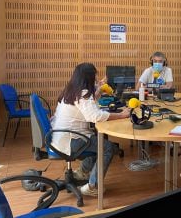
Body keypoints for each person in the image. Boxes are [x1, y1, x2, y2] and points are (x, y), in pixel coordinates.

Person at [51, 63, 130, 196]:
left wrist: (98, 88)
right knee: (107, 148)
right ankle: (93, 185)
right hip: (72, 140)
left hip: (62, 137)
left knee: (97, 140)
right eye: (94, 75)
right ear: (88, 77)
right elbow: (95, 115)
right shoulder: (82, 94)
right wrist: (121, 115)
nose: (95, 78)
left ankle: (83, 172)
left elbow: (89, 103)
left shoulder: (72, 90)